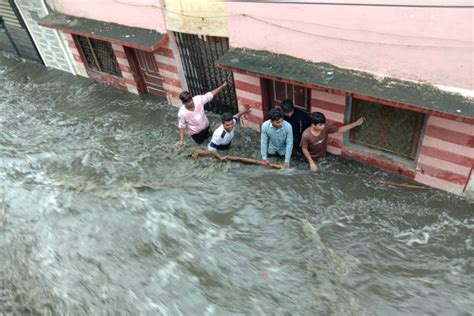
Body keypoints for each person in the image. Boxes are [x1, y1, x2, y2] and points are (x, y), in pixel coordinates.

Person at [301, 112, 365, 172]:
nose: (323, 126)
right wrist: (311, 162)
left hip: (323, 157)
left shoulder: (326, 127)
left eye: (324, 124)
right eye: (320, 125)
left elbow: (340, 129)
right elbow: (304, 149)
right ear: (313, 125)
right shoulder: (306, 135)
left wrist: (355, 124)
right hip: (311, 159)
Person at [176, 81, 228, 148]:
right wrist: (182, 141)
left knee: (213, 141)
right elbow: (181, 126)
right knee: (202, 147)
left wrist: (222, 87)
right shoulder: (182, 113)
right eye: (188, 102)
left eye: (191, 100)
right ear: (183, 103)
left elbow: (210, 95)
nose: (191, 102)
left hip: (206, 127)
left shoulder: (198, 100)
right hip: (196, 134)